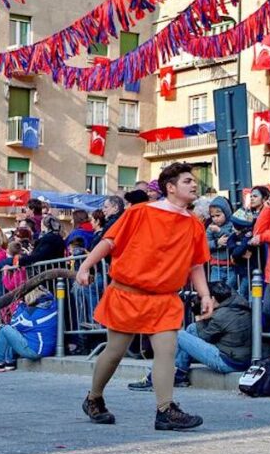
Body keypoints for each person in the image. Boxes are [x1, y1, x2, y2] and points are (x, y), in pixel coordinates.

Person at [75, 162, 213, 432]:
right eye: (187, 181)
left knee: (166, 353)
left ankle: (165, 411)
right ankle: (94, 398)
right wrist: (85, 265)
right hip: (128, 294)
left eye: (194, 181)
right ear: (170, 188)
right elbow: (110, 241)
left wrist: (205, 294)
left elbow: (196, 264)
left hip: (164, 298)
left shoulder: (195, 225)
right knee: (114, 353)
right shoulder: (140, 212)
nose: (194, 185)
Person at [174, 281, 252, 382]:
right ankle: (180, 373)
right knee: (192, 328)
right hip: (240, 357)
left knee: (180, 335)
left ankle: (176, 372)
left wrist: (198, 315)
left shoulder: (221, 316)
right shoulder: (237, 301)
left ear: (213, 299)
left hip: (228, 362)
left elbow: (203, 337)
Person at [0, 286, 58, 372]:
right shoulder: (52, 304)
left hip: (36, 351)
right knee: (12, 332)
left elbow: (14, 322)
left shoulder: (31, 313)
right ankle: (9, 362)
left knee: (4, 328)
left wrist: (20, 305)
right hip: (47, 348)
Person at [206, 197, 235, 286]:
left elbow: (233, 238)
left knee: (231, 292)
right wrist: (217, 242)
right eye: (213, 216)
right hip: (216, 266)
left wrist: (219, 231)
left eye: (218, 215)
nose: (215, 219)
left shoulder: (232, 225)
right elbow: (205, 243)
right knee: (215, 290)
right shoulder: (210, 227)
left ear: (226, 213)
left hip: (231, 266)